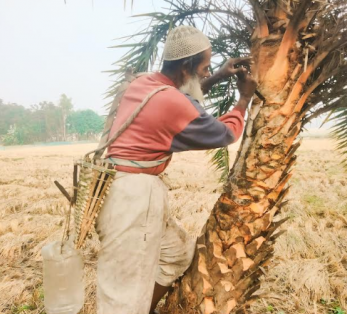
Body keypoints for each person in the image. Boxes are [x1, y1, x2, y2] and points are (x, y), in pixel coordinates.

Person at [95, 25, 257, 314]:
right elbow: (223, 134)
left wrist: (220, 75)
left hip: (123, 189)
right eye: (206, 67)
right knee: (122, 295)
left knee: (177, 255)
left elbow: (178, 100)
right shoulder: (170, 101)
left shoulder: (145, 84)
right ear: (187, 66)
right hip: (135, 198)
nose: (207, 73)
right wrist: (243, 99)